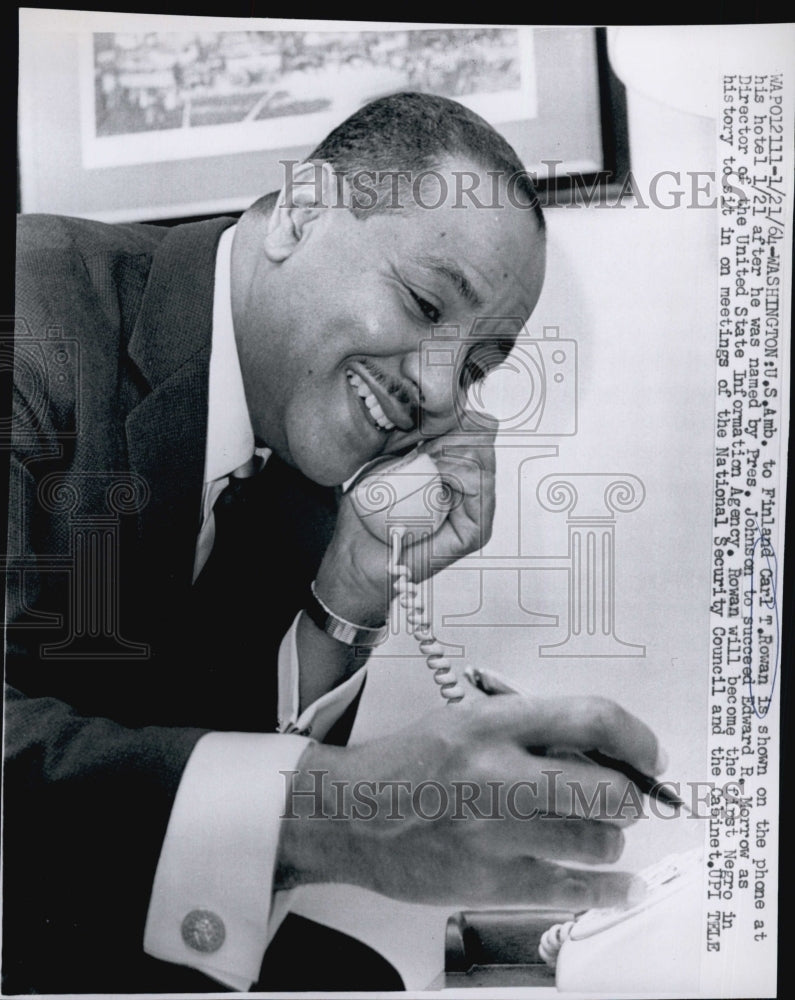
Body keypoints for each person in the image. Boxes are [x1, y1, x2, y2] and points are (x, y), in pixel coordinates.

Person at [4, 92, 665, 993]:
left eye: (474, 367)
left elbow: (193, 777)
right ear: (303, 211)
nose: (439, 393)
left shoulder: (301, 428)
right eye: (427, 301)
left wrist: (351, 589)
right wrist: (336, 808)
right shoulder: (27, 321)